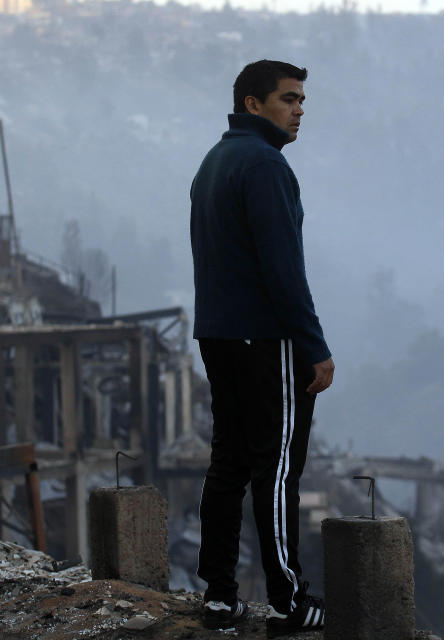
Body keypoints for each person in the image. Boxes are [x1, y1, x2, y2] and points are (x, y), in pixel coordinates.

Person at [189, 59, 335, 637]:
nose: (299, 110)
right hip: (264, 339)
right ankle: (288, 600)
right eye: (288, 99)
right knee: (275, 470)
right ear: (253, 104)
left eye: (302, 101)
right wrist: (314, 344)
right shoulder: (265, 165)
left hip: (217, 334)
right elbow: (283, 269)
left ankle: (221, 596)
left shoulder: (214, 162)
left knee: (227, 462)